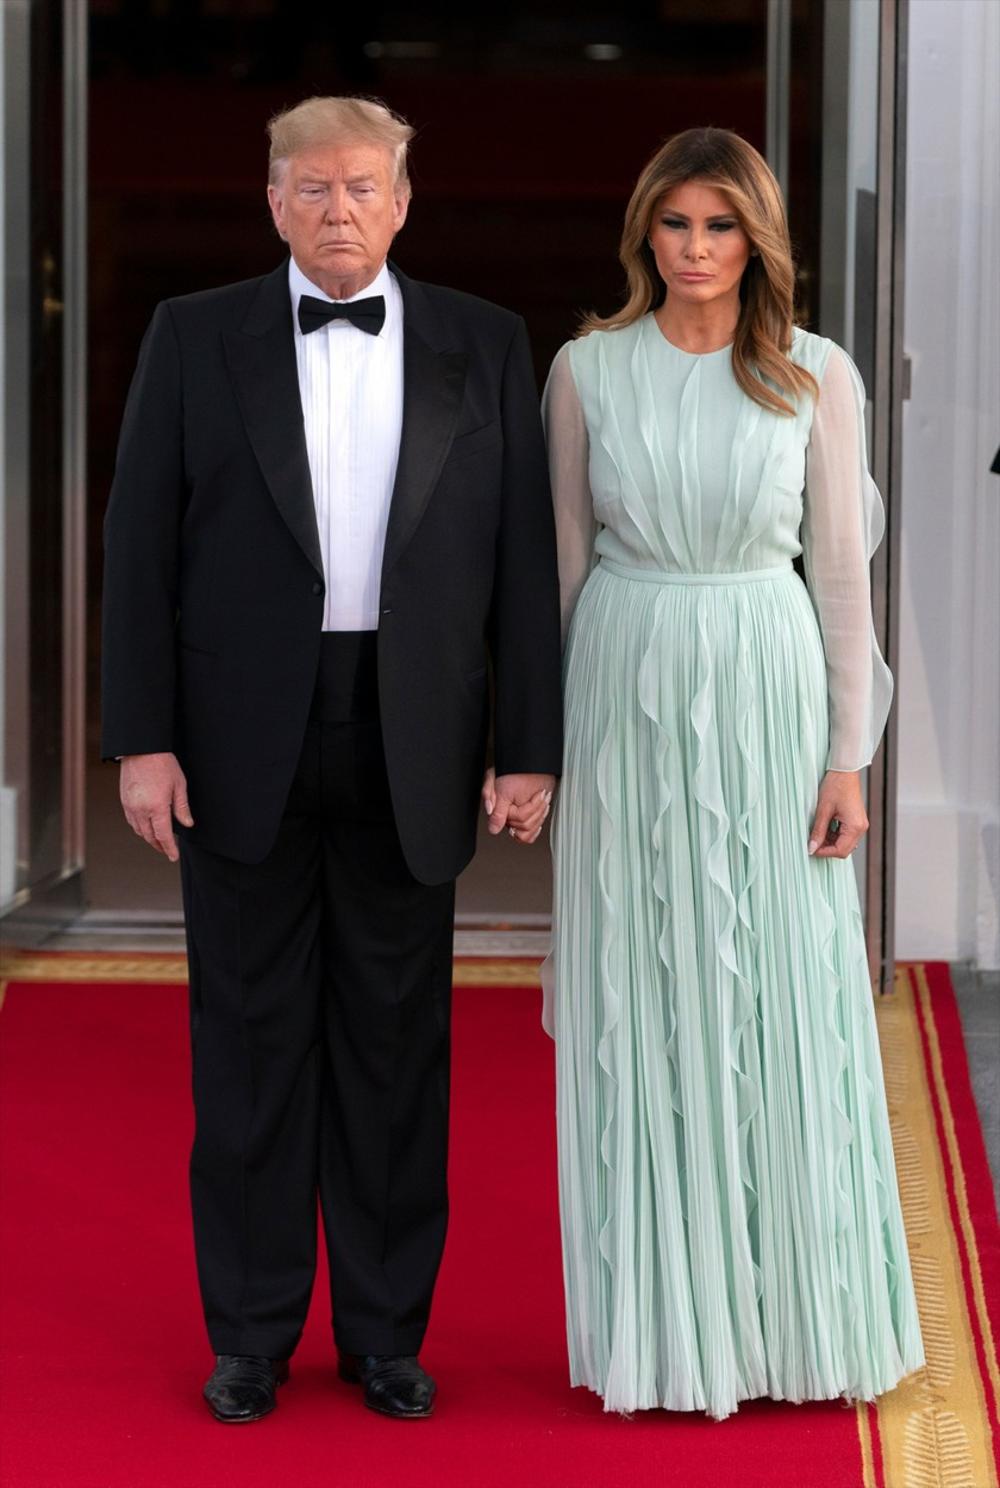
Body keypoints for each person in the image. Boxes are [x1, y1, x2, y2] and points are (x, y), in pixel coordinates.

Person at [101, 95, 562, 1424]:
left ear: (404, 203)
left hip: (413, 735)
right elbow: (138, 550)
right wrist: (142, 741)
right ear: (273, 201)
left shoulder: (484, 340)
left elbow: (522, 565)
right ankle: (249, 1334)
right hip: (237, 737)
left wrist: (527, 747)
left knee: (395, 1051)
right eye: (312, 187)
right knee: (247, 1047)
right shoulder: (195, 336)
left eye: (363, 187)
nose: (338, 209)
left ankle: (385, 1336)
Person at [541, 127, 923, 1419]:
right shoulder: (586, 370)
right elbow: (563, 571)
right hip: (624, 685)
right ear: (643, 233)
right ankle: (662, 1333)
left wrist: (849, 757)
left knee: (781, 994)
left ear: (759, 242)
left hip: (769, 684)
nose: (696, 250)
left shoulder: (816, 373)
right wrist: (550, 747)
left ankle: (796, 1321)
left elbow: (844, 577)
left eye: (720, 226)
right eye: (675, 224)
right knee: (642, 992)